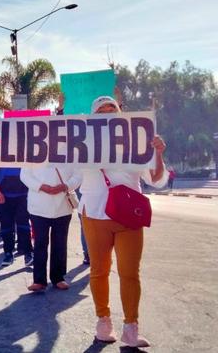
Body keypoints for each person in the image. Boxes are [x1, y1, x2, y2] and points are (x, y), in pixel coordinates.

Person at [79, 96, 167, 348]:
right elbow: (69, 175)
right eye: (101, 111)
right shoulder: (81, 144)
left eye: (112, 110)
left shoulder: (138, 140)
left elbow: (156, 179)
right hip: (95, 212)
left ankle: (131, 328)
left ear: (120, 114)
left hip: (129, 215)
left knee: (130, 272)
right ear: (93, 118)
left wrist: (158, 153)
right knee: (99, 270)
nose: (108, 114)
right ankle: (103, 322)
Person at [20, 165, 80, 292]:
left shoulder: (71, 150)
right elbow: (24, 175)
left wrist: (65, 186)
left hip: (63, 206)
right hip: (38, 206)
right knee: (40, 243)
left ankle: (58, 278)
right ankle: (39, 280)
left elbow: (79, 175)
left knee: (60, 243)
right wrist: (41, 186)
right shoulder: (33, 149)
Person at [0, 167, 32, 267]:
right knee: (6, 227)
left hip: (23, 195)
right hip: (4, 196)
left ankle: (28, 253)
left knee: (24, 225)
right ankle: (8, 253)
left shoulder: (25, 152)